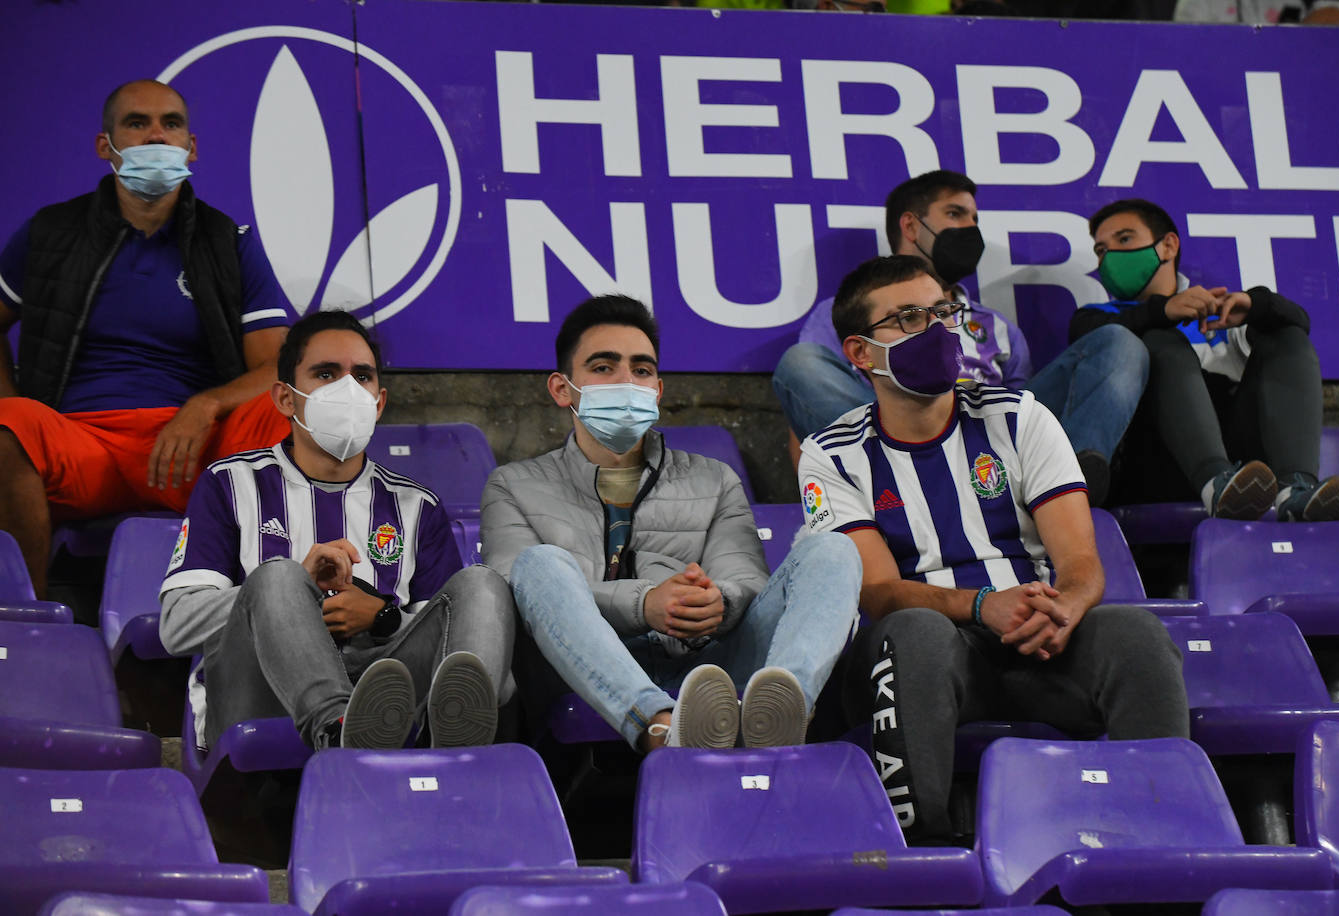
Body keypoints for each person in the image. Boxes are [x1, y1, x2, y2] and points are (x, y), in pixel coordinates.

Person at [800, 254, 1188, 842]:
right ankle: (922, 856)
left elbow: (1081, 562)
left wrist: (1066, 606)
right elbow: (878, 593)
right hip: (925, 659)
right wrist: (983, 605)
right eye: (909, 318)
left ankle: (1168, 842)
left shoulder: (1020, 417)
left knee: (1134, 633)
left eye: (942, 312)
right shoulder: (831, 454)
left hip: (1036, 643)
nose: (936, 329)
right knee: (913, 633)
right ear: (860, 353)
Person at [481, 294, 862, 751]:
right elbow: (518, 591)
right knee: (538, 564)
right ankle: (660, 728)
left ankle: (780, 713)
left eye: (641, 370)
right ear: (562, 389)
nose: (627, 381)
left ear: (658, 391)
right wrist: (645, 605)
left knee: (833, 548)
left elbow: (747, 583)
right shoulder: (513, 485)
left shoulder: (714, 479)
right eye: (603, 367)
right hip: (577, 668)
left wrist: (715, 600)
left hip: (708, 667)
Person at [159, 311, 515, 752]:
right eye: (325, 374)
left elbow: (445, 636)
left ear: (379, 402)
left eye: (361, 376)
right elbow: (176, 626)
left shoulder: (417, 506)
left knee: (482, 583)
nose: (347, 390)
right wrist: (292, 595)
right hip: (258, 700)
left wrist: (383, 618)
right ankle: (335, 727)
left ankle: (459, 741)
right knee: (279, 576)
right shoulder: (230, 484)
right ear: (285, 399)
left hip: (387, 705)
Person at [0, 79, 292, 597]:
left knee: (293, 406)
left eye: (170, 124)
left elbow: (277, 368)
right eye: (137, 123)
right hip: (82, 448)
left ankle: (269, 602)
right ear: (105, 145)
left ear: (191, 147)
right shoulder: (49, 234)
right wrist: (12, 410)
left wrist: (206, 405)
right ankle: (30, 619)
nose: (156, 136)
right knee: (6, 427)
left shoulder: (229, 243)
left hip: (193, 451)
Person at [773, 170, 1148, 505]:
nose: (971, 229)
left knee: (1117, 342)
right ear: (911, 227)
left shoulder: (999, 327)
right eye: (955, 214)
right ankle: (906, 478)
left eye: (975, 219)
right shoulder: (843, 315)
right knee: (800, 364)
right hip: (899, 453)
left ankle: (1069, 485)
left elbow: (1024, 409)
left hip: (994, 456)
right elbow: (803, 414)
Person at [1079, 198, 1339, 521]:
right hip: (1151, 467)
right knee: (1158, 339)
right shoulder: (1098, 319)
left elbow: (1297, 323)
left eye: (1124, 239)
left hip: (1246, 474)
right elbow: (1085, 335)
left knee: (1286, 335)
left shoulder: (1220, 314)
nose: (1110, 257)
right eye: (1101, 250)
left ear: (1168, 246)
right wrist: (1164, 311)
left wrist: (1256, 305)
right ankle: (1215, 484)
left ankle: (1295, 490)